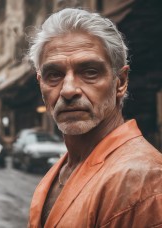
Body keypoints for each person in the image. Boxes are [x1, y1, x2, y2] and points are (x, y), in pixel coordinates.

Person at [27, 8, 162, 227]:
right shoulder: (63, 167)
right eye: (54, 75)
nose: (68, 90)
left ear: (120, 81)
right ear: (40, 83)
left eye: (89, 72)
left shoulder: (144, 179)